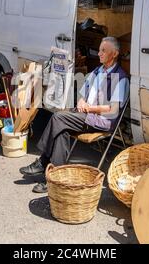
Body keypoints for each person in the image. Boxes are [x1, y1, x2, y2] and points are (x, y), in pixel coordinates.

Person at [19, 37, 130, 193]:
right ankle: (55, 178)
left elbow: (113, 110)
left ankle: (43, 162)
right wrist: (81, 102)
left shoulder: (121, 78)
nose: (99, 54)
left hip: (101, 120)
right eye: (99, 50)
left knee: (58, 118)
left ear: (115, 54)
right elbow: (83, 95)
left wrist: (89, 108)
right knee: (61, 130)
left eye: (103, 50)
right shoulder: (97, 71)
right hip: (85, 114)